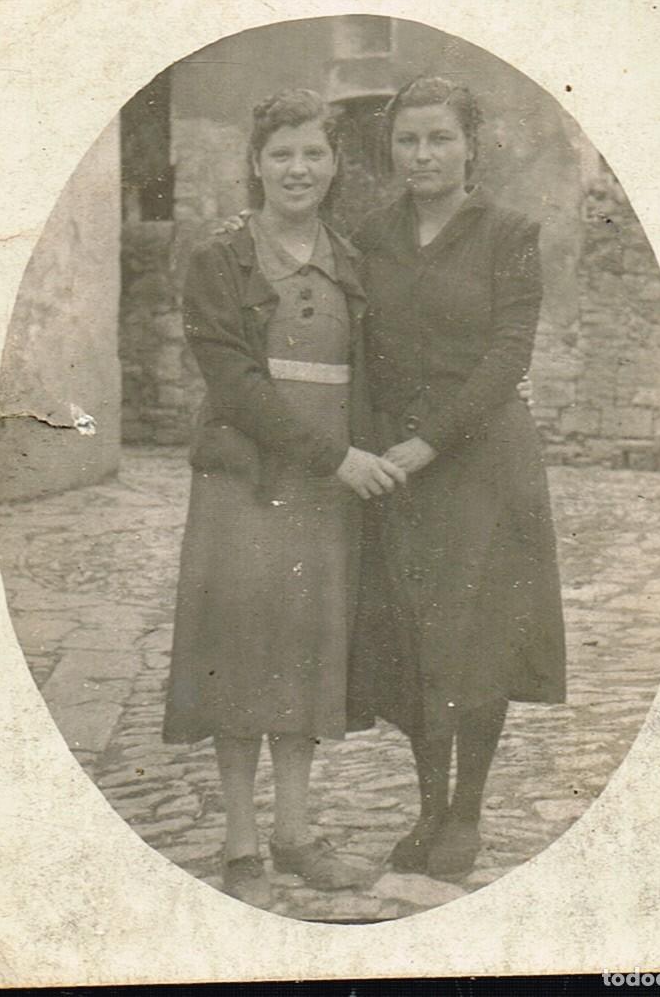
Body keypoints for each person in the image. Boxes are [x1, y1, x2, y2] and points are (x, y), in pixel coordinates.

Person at [162, 88, 405, 909]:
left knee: (306, 656)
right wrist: (336, 457)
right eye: (282, 154)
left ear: (335, 164)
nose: (299, 169)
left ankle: (295, 834)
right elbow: (234, 384)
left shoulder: (350, 260)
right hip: (245, 483)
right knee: (240, 656)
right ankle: (240, 845)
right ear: (256, 163)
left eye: (313, 153)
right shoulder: (220, 259)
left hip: (327, 496)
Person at [347, 76, 566, 881]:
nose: (423, 154)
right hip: (398, 467)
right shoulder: (370, 236)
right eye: (408, 140)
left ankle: (465, 813)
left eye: (440, 138)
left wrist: (431, 442)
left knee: (479, 641)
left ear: (471, 145)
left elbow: (509, 355)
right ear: (391, 148)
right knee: (416, 640)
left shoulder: (509, 234)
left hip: (482, 462)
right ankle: (427, 810)